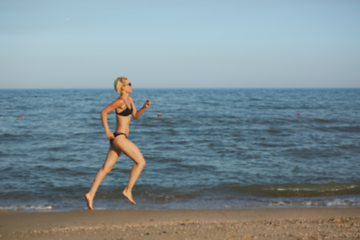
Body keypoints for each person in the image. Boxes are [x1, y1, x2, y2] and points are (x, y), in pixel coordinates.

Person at [85, 77, 151, 210]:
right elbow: (103, 112)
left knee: (106, 168)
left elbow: (136, 116)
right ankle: (128, 190)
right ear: (123, 87)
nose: (131, 85)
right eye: (129, 84)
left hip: (118, 139)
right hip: (119, 138)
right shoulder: (119, 101)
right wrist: (107, 131)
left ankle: (91, 194)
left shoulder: (130, 100)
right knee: (141, 162)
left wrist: (144, 107)